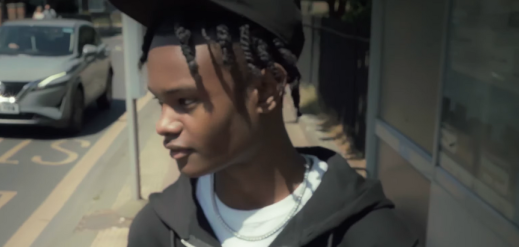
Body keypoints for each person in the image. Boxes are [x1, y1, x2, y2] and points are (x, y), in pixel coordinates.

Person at [107, 0, 420, 246]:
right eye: (161, 102)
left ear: (267, 90)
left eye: (185, 101)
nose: (163, 125)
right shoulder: (156, 233)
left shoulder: (371, 236)